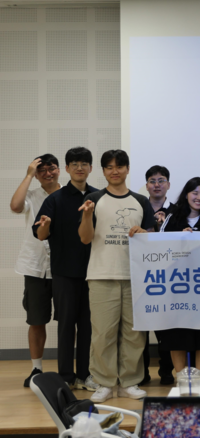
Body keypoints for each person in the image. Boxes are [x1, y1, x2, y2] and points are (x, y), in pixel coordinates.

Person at [77, 150, 156, 403]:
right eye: (109, 167)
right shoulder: (94, 199)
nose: (115, 171)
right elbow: (85, 238)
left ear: (127, 169)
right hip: (101, 274)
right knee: (103, 333)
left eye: (119, 166)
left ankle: (129, 382)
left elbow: (152, 239)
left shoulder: (140, 201)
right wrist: (87, 214)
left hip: (136, 276)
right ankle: (104, 382)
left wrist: (144, 232)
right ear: (103, 171)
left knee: (134, 333)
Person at [33, 147, 98, 392]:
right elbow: (40, 234)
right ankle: (66, 376)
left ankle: (85, 375)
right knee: (66, 325)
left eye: (84, 164)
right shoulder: (55, 199)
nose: (80, 168)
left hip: (94, 272)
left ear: (91, 168)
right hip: (64, 271)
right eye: (74, 164)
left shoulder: (98, 196)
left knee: (88, 326)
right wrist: (45, 225)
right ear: (67, 168)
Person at [159, 177, 200, 378]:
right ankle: (181, 377)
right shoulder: (172, 218)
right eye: (195, 193)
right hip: (177, 287)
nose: (199, 197)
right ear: (186, 194)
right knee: (176, 332)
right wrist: (179, 238)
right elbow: (159, 247)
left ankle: (199, 376)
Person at [10, 155, 61, 387]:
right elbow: (15, 206)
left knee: (69, 321)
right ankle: (36, 369)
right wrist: (29, 174)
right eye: (42, 171)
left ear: (59, 170)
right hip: (35, 267)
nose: (48, 173)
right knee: (37, 320)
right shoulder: (31, 196)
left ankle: (69, 369)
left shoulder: (69, 195)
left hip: (64, 268)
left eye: (52, 168)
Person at [142, 164, 174, 385]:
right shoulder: (138, 207)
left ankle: (166, 371)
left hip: (169, 277)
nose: (157, 185)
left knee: (166, 329)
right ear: (146, 185)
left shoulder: (178, 210)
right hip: (143, 274)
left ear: (168, 185)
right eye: (152, 181)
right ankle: (141, 372)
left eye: (161, 181)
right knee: (142, 329)